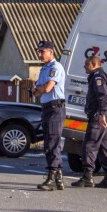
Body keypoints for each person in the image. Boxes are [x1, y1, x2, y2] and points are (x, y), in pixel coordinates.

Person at [72, 55, 107, 189]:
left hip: (99, 116)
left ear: (93, 64)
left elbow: (103, 96)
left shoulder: (98, 76)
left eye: (86, 64)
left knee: (90, 145)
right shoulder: (103, 76)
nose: (84, 67)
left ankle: (87, 177)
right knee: (105, 147)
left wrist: (102, 113)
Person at [33, 40, 66, 191]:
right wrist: (39, 88)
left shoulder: (55, 67)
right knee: (48, 143)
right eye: (38, 51)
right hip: (47, 108)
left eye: (42, 51)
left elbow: (46, 88)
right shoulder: (44, 69)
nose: (39, 54)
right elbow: (35, 91)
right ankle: (58, 178)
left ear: (51, 52)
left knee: (53, 142)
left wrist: (40, 88)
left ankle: (52, 176)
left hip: (55, 108)